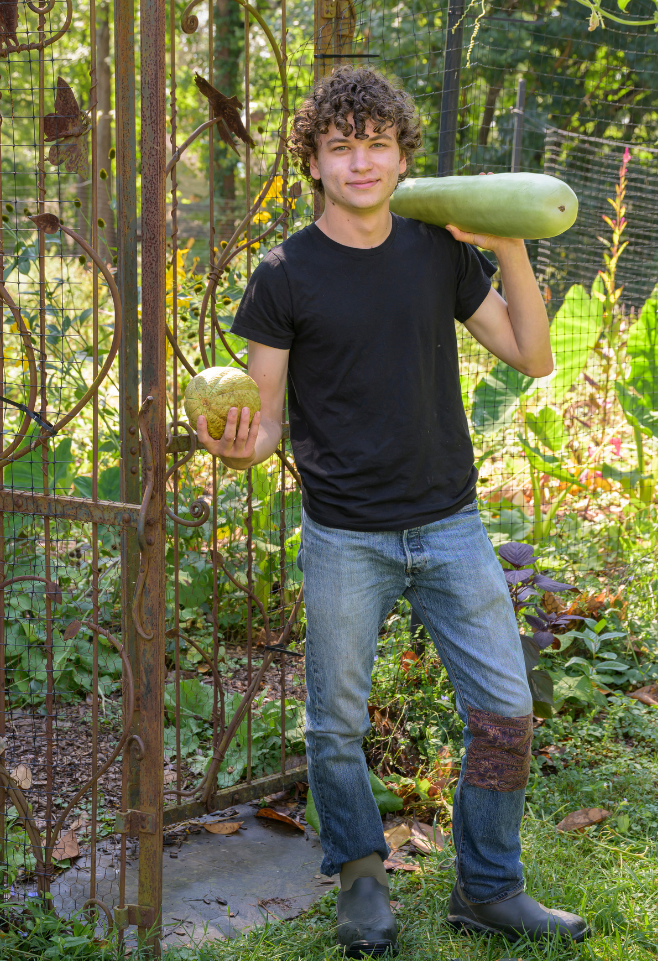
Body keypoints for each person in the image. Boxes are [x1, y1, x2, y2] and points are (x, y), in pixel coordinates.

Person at [194, 65, 589, 957]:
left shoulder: (435, 251)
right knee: (335, 723)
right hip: (344, 534)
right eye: (342, 147)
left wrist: (508, 242)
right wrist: (235, 446)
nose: (361, 162)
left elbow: (533, 356)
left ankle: (489, 888)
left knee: (504, 710)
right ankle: (361, 881)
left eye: (377, 144)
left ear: (402, 154)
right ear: (317, 163)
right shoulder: (283, 273)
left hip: (449, 524)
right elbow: (261, 426)